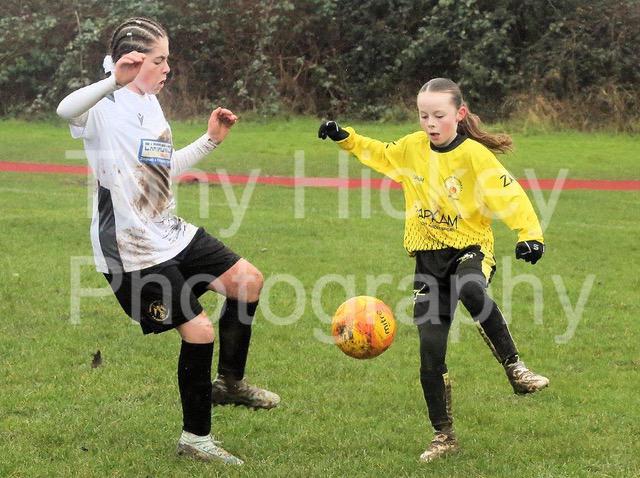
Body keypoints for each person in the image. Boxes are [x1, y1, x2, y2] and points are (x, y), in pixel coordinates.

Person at [56, 17, 279, 465]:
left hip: (167, 230)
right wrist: (113, 80)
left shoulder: (150, 103)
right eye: (159, 60)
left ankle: (228, 384)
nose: (166, 68)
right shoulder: (103, 104)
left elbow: (161, 168)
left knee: (247, 282)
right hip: (130, 247)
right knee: (198, 330)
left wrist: (210, 142)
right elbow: (65, 110)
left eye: (167, 60)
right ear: (132, 61)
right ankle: (195, 440)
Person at [318, 77, 549, 463]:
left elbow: (509, 194)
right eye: (424, 115)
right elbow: (379, 153)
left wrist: (531, 235)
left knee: (471, 289)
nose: (430, 123)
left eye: (439, 115)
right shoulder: (412, 147)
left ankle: (516, 368)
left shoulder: (474, 156)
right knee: (430, 350)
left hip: (471, 249)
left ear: (459, 114)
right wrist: (345, 137)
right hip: (428, 261)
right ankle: (444, 436)